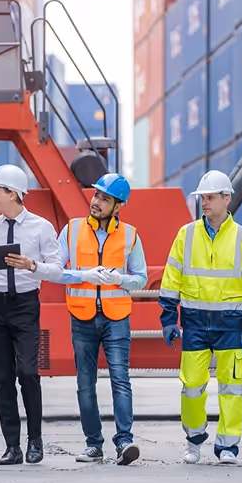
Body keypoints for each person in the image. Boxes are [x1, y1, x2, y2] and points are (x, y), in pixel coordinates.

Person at [158, 170, 242, 465]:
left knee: (232, 388)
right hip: (194, 325)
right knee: (191, 386)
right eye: (202, 198)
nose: (204, 203)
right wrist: (168, 318)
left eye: (209, 197)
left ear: (226, 199)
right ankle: (194, 440)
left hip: (231, 326)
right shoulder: (186, 235)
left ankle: (228, 446)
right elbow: (171, 279)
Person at [0, 164, 63, 465]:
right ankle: (12, 446)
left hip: (24, 305)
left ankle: (35, 439)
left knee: (29, 373)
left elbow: (58, 270)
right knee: (3, 377)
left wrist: (31, 266)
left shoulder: (41, 227)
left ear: (12, 193)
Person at [55, 173, 148, 465]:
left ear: (118, 206)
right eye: (96, 195)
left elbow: (141, 279)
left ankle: (125, 442)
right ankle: (94, 444)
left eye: (104, 198)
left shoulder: (131, 235)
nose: (96, 202)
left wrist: (122, 279)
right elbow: (55, 270)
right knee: (85, 383)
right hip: (81, 317)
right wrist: (82, 275)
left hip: (116, 317)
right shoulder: (71, 230)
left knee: (120, 379)